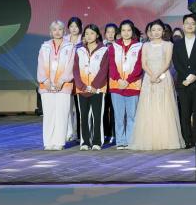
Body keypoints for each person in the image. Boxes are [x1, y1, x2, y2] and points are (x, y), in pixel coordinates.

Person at [129, 20, 185, 150]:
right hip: (149, 79)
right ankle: (149, 139)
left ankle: (165, 140)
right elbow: (144, 64)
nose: (156, 32)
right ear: (150, 32)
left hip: (163, 77)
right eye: (153, 30)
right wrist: (151, 75)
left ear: (163, 31)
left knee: (165, 106)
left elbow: (167, 63)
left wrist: (158, 74)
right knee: (149, 107)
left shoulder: (168, 45)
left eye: (159, 30)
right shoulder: (145, 45)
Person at [37, 21, 76, 150]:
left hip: (63, 86)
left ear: (64, 31)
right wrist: (45, 81)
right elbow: (40, 65)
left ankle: (59, 142)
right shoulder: (45, 47)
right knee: (49, 115)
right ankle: (48, 142)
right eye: (54, 29)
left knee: (62, 114)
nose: (57, 32)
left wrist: (62, 80)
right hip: (46, 86)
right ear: (50, 32)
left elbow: (71, 65)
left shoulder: (70, 47)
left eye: (60, 29)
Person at [172, 14, 196, 148]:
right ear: (183, 25)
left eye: (192, 23)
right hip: (183, 83)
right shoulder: (177, 44)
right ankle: (187, 139)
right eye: (187, 23)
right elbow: (176, 62)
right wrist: (187, 77)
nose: (189, 25)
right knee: (185, 113)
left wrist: (193, 75)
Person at [106, 20, 142, 150]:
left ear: (132, 31)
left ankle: (130, 140)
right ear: (120, 32)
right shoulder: (113, 47)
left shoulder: (139, 46)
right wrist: (119, 80)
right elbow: (111, 66)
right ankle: (120, 141)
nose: (126, 33)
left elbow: (139, 66)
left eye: (128, 30)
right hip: (117, 86)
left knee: (132, 116)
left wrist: (128, 81)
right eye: (123, 30)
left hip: (133, 85)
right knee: (119, 116)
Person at [73, 24, 108, 150]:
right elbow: (75, 70)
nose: (89, 36)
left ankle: (97, 142)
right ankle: (85, 142)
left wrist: (94, 85)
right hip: (82, 89)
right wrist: (81, 85)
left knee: (97, 116)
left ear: (97, 35)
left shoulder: (104, 50)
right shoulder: (79, 50)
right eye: (86, 33)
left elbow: (104, 70)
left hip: (97, 89)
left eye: (92, 33)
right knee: (83, 116)